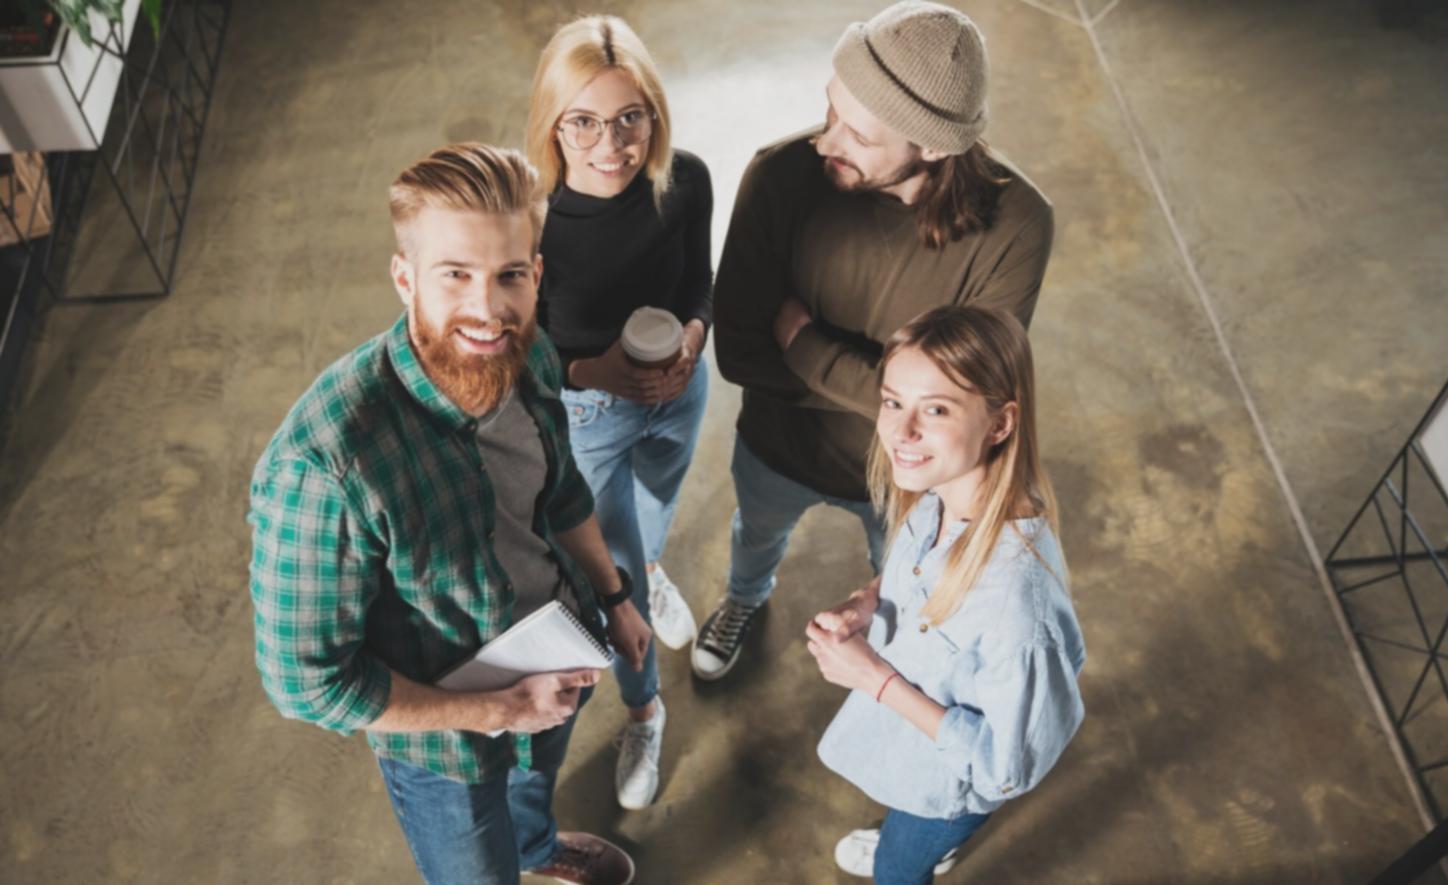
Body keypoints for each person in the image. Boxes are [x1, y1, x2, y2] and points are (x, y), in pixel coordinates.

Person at [248, 143, 650, 885]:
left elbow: (560, 491)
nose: (488, 309)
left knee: (534, 782)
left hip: (554, 648)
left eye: (510, 275)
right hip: (444, 746)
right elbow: (307, 683)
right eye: (455, 274)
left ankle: (535, 850)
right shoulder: (326, 466)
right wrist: (495, 707)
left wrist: (616, 596)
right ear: (405, 278)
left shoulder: (524, 353)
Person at [698, 0, 1055, 680]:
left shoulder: (1020, 226)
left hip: (914, 479)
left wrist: (803, 345)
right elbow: (740, 351)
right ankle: (745, 599)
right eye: (831, 110)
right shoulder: (780, 176)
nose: (825, 142)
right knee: (755, 538)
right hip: (779, 448)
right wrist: (900, 393)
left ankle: (894, 653)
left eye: (859, 136)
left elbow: (968, 398)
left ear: (936, 148)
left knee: (902, 580)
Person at [806, 305, 1085, 883]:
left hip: (948, 784)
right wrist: (867, 600)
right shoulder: (940, 492)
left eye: (935, 409)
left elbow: (1003, 771)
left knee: (897, 868)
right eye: (893, 401)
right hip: (912, 745)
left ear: (1000, 424)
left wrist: (873, 680)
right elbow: (916, 574)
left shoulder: (1017, 602)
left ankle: (921, 848)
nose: (900, 433)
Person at [525, 14, 712, 810]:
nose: (612, 144)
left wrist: (695, 337)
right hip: (588, 414)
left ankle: (658, 561)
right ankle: (645, 706)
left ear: (654, 115)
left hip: (677, 390)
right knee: (617, 578)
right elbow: (519, 347)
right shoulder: (533, 222)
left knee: (659, 504)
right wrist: (588, 369)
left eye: (631, 118)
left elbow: (698, 279)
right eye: (585, 122)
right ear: (553, 125)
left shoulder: (685, 180)